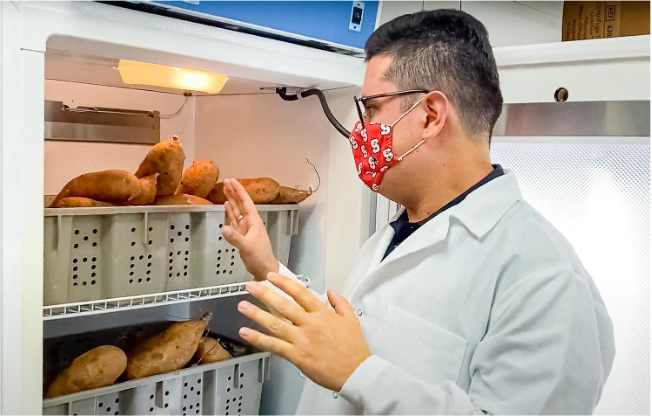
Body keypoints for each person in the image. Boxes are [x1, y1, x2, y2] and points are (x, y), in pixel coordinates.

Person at [221, 9, 615, 416]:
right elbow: (347, 334)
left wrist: (361, 374)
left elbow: (353, 363)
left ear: (430, 116)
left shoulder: (545, 278)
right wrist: (267, 266)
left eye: (371, 109)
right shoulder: (396, 234)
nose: (360, 131)